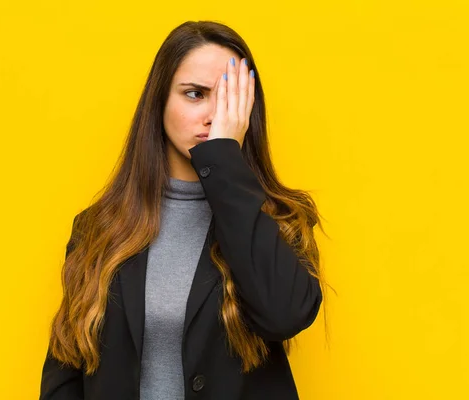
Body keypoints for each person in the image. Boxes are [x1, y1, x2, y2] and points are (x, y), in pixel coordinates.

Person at [39, 20, 328, 400]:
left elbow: (284, 315)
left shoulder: (283, 220)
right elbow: (66, 366)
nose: (213, 115)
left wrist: (224, 159)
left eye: (227, 99)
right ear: (159, 102)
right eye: (195, 94)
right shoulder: (98, 227)